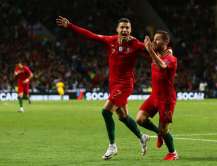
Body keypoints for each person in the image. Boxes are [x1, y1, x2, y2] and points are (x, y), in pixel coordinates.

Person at [56, 16, 149, 160]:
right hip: (113, 84)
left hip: (125, 84)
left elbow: (153, 50)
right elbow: (90, 35)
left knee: (106, 111)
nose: (124, 30)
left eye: (127, 28)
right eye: (122, 27)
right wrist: (70, 26)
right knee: (122, 116)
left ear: (131, 30)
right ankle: (142, 137)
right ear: (117, 29)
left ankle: (112, 146)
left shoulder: (136, 44)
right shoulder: (110, 40)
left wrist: (165, 51)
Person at [136, 31, 178, 160]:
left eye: (157, 40)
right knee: (140, 119)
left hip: (166, 99)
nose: (155, 42)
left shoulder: (171, 59)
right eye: (154, 39)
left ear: (165, 42)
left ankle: (173, 153)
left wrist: (150, 51)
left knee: (164, 130)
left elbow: (163, 65)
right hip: (154, 96)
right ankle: (159, 134)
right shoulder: (157, 53)